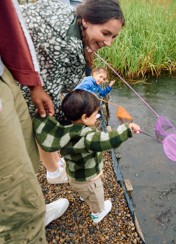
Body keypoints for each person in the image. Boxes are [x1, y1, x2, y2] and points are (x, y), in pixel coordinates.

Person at [20, 0, 125, 184]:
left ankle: (54, 165)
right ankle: (52, 173)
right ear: (85, 21)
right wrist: (80, 121)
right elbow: (47, 103)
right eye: (105, 33)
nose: (109, 43)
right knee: (38, 124)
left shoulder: (72, 18)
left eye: (114, 37)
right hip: (13, 83)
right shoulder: (59, 43)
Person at [0, 1, 69, 243]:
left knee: (27, 158)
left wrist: (33, 83)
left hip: (3, 75)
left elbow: (9, 17)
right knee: (15, 197)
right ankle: (27, 221)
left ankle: (35, 209)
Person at [34, 90, 141, 223]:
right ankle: (97, 213)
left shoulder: (66, 130)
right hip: (89, 181)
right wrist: (127, 129)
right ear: (85, 117)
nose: (97, 117)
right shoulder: (88, 138)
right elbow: (108, 139)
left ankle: (84, 196)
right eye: (96, 115)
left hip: (73, 176)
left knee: (84, 191)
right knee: (97, 197)